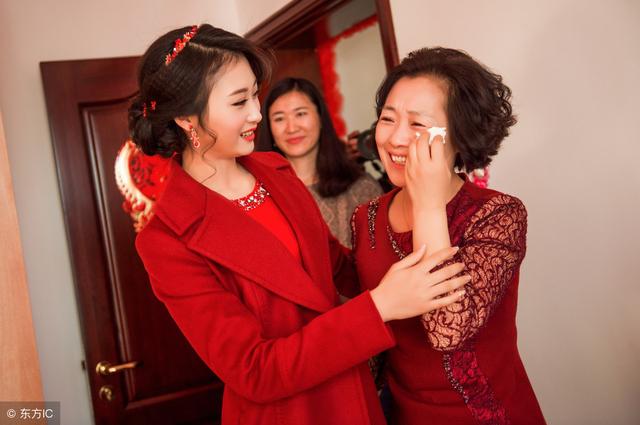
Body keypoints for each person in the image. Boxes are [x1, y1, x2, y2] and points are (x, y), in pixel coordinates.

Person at [128, 25, 470, 425]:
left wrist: (427, 212)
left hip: (353, 393)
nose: (257, 113)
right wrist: (379, 307)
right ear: (187, 118)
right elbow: (254, 370)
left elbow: (342, 269)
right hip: (289, 413)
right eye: (239, 101)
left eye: (254, 94)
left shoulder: (274, 170)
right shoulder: (167, 240)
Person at [351, 47, 547, 424]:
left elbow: (447, 330)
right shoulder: (366, 218)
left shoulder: (497, 213)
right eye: (387, 119)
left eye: (417, 124)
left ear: (458, 135)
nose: (395, 138)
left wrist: (427, 203)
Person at [257, 77, 382, 247]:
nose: (291, 128)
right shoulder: (257, 195)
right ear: (269, 129)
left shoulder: (363, 189)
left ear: (321, 118)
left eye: (301, 114)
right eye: (279, 119)